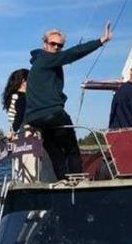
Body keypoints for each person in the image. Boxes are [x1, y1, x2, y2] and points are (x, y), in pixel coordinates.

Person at [25, 22, 112, 179]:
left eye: (60, 45)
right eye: (53, 44)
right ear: (44, 44)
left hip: (37, 118)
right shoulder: (47, 58)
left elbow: (31, 95)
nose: (56, 48)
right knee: (71, 149)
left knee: (55, 152)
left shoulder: (38, 63)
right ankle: (77, 182)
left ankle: (63, 183)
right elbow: (73, 53)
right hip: (52, 113)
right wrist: (100, 41)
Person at [1, 68, 28, 137]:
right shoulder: (21, 97)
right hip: (23, 134)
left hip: (19, 134)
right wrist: (13, 131)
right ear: (23, 81)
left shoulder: (14, 96)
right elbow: (20, 115)